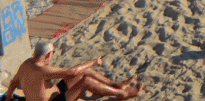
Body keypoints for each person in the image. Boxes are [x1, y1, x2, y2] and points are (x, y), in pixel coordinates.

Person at [5, 41, 141, 101]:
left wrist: (8, 99)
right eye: (53, 53)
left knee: (85, 71)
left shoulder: (25, 64)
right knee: (86, 81)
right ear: (48, 55)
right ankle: (122, 93)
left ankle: (115, 85)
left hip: (54, 93)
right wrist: (94, 62)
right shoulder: (43, 69)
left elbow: (13, 83)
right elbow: (73, 71)